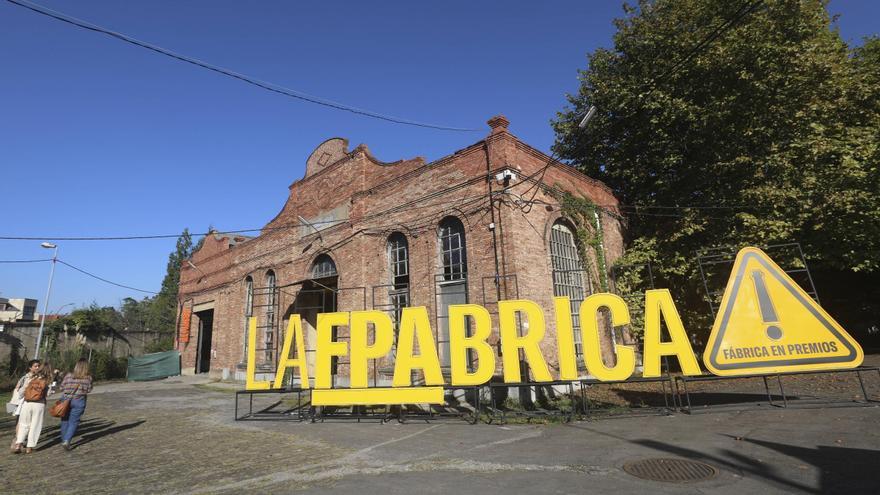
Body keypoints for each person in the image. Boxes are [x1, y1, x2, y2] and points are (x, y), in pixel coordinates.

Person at [13, 361, 51, 454]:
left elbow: (21, 392)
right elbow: (47, 394)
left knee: (23, 424)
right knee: (35, 425)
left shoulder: (31, 378)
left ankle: (18, 444)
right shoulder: (47, 380)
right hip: (39, 404)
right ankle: (29, 447)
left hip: (27, 403)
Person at [59, 358, 93, 451]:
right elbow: (89, 390)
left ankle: (64, 439)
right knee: (73, 422)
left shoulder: (69, 375)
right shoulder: (88, 377)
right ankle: (67, 440)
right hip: (79, 400)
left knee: (64, 420)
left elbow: (61, 387)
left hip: (65, 399)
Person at [9, 359, 41, 453]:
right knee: (20, 422)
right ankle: (17, 442)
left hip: (29, 403)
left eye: (38, 366)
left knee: (25, 422)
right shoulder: (25, 378)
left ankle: (20, 442)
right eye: (35, 366)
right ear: (30, 368)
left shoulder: (39, 377)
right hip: (22, 402)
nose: (37, 368)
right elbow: (19, 391)